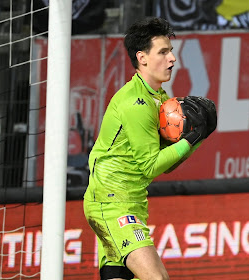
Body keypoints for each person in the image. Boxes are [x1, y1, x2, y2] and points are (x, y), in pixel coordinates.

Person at [83, 17, 217, 280]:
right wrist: (190, 140)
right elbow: (150, 166)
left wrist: (197, 138)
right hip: (112, 205)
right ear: (142, 58)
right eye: (163, 52)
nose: (172, 59)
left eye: (171, 51)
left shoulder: (161, 99)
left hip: (130, 203)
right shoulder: (137, 104)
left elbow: (168, 165)